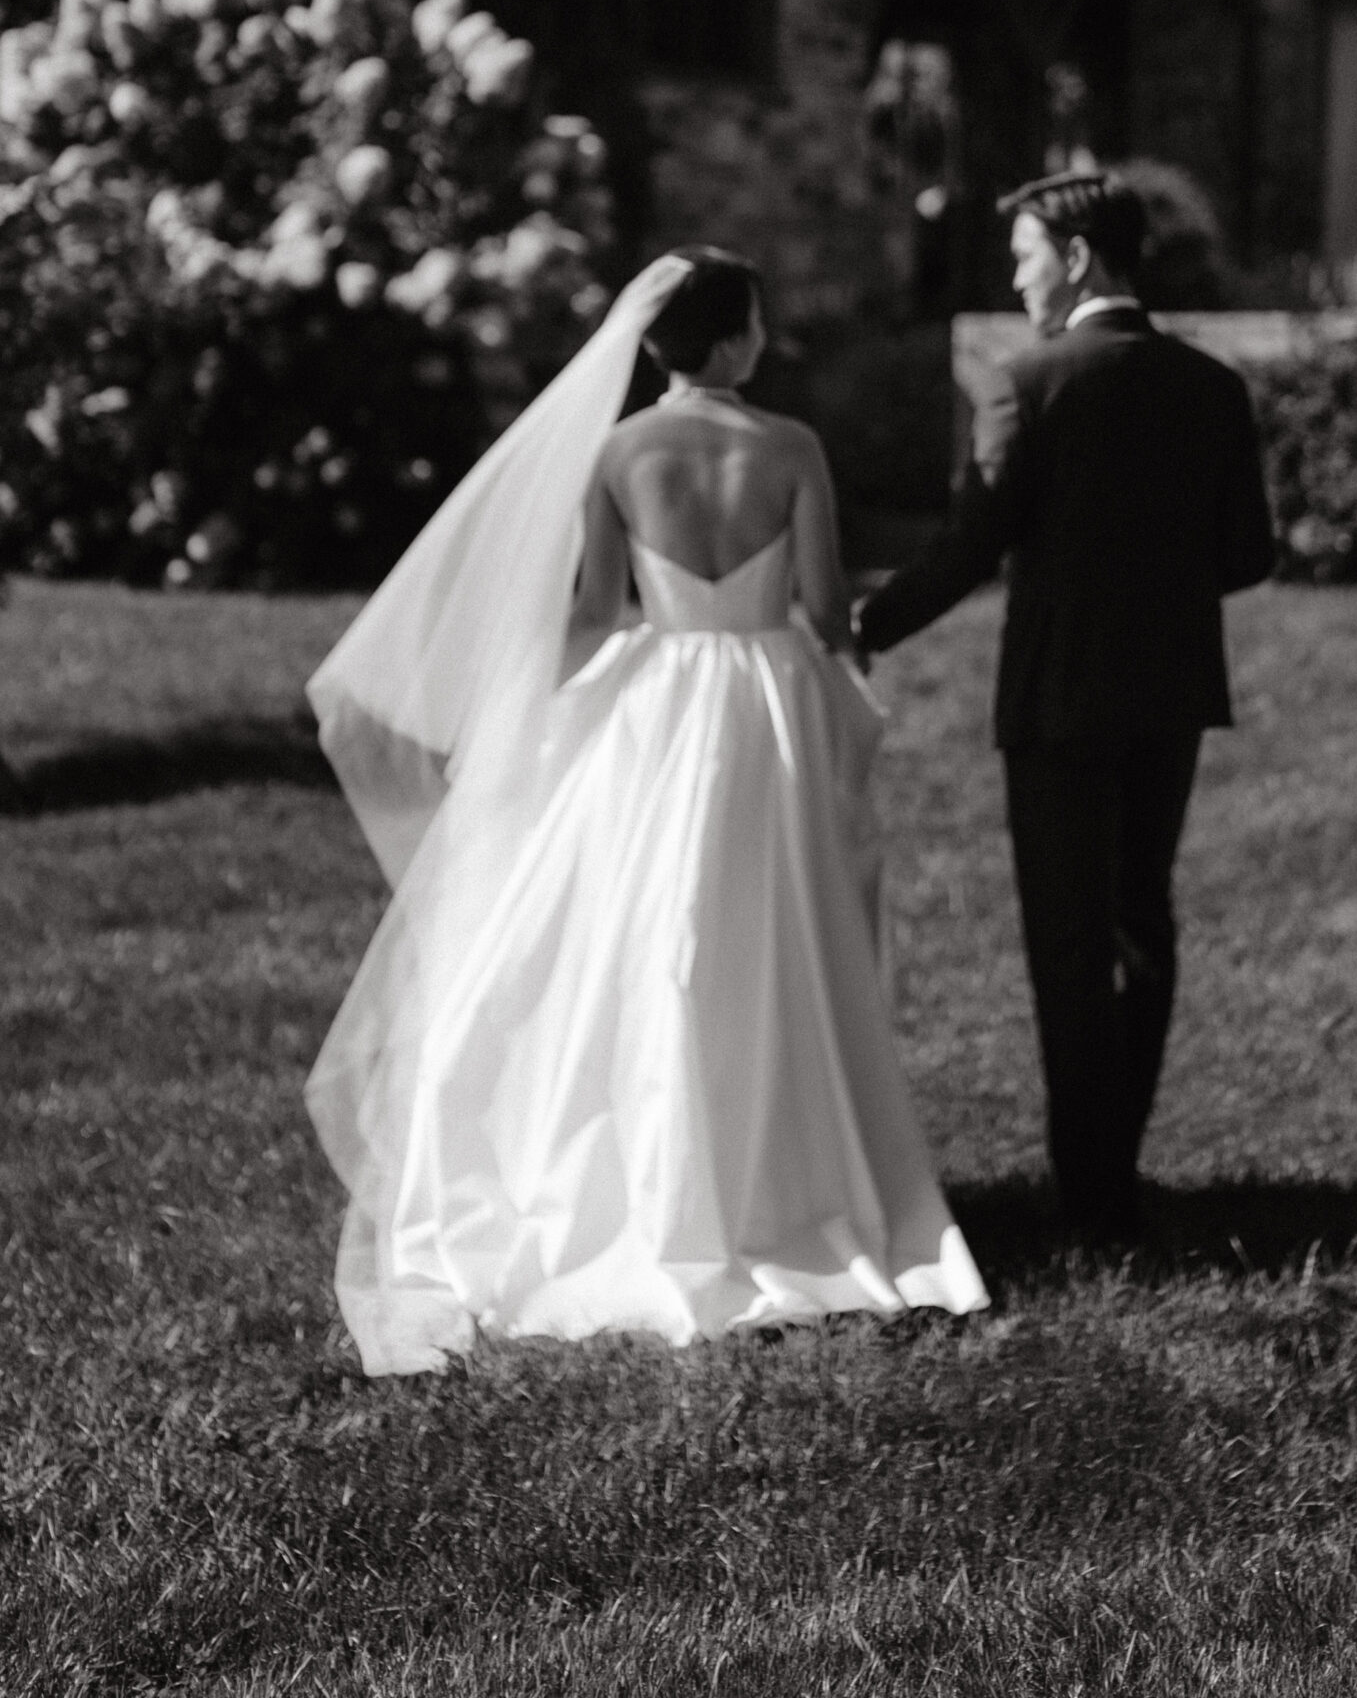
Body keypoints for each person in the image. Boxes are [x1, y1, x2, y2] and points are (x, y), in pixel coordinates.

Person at [306, 247, 985, 1374]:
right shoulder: (790, 447)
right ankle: (780, 1161)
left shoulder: (619, 450)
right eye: (755, 322)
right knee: (769, 927)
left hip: (660, 692)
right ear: (730, 341)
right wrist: (843, 661)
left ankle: (643, 1156)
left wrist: (541, 707)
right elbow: (823, 605)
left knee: (641, 928)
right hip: (764, 699)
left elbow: (595, 602)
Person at [853, 171, 1274, 1243]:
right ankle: (1114, 1171)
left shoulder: (1023, 382)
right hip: (1171, 691)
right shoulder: (1212, 386)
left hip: (1057, 701)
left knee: (1069, 940)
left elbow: (968, 547)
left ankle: (1087, 1193)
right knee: (1140, 921)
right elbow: (1247, 554)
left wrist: (866, 626)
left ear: (1078, 256)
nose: (1016, 274)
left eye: (1026, 253)